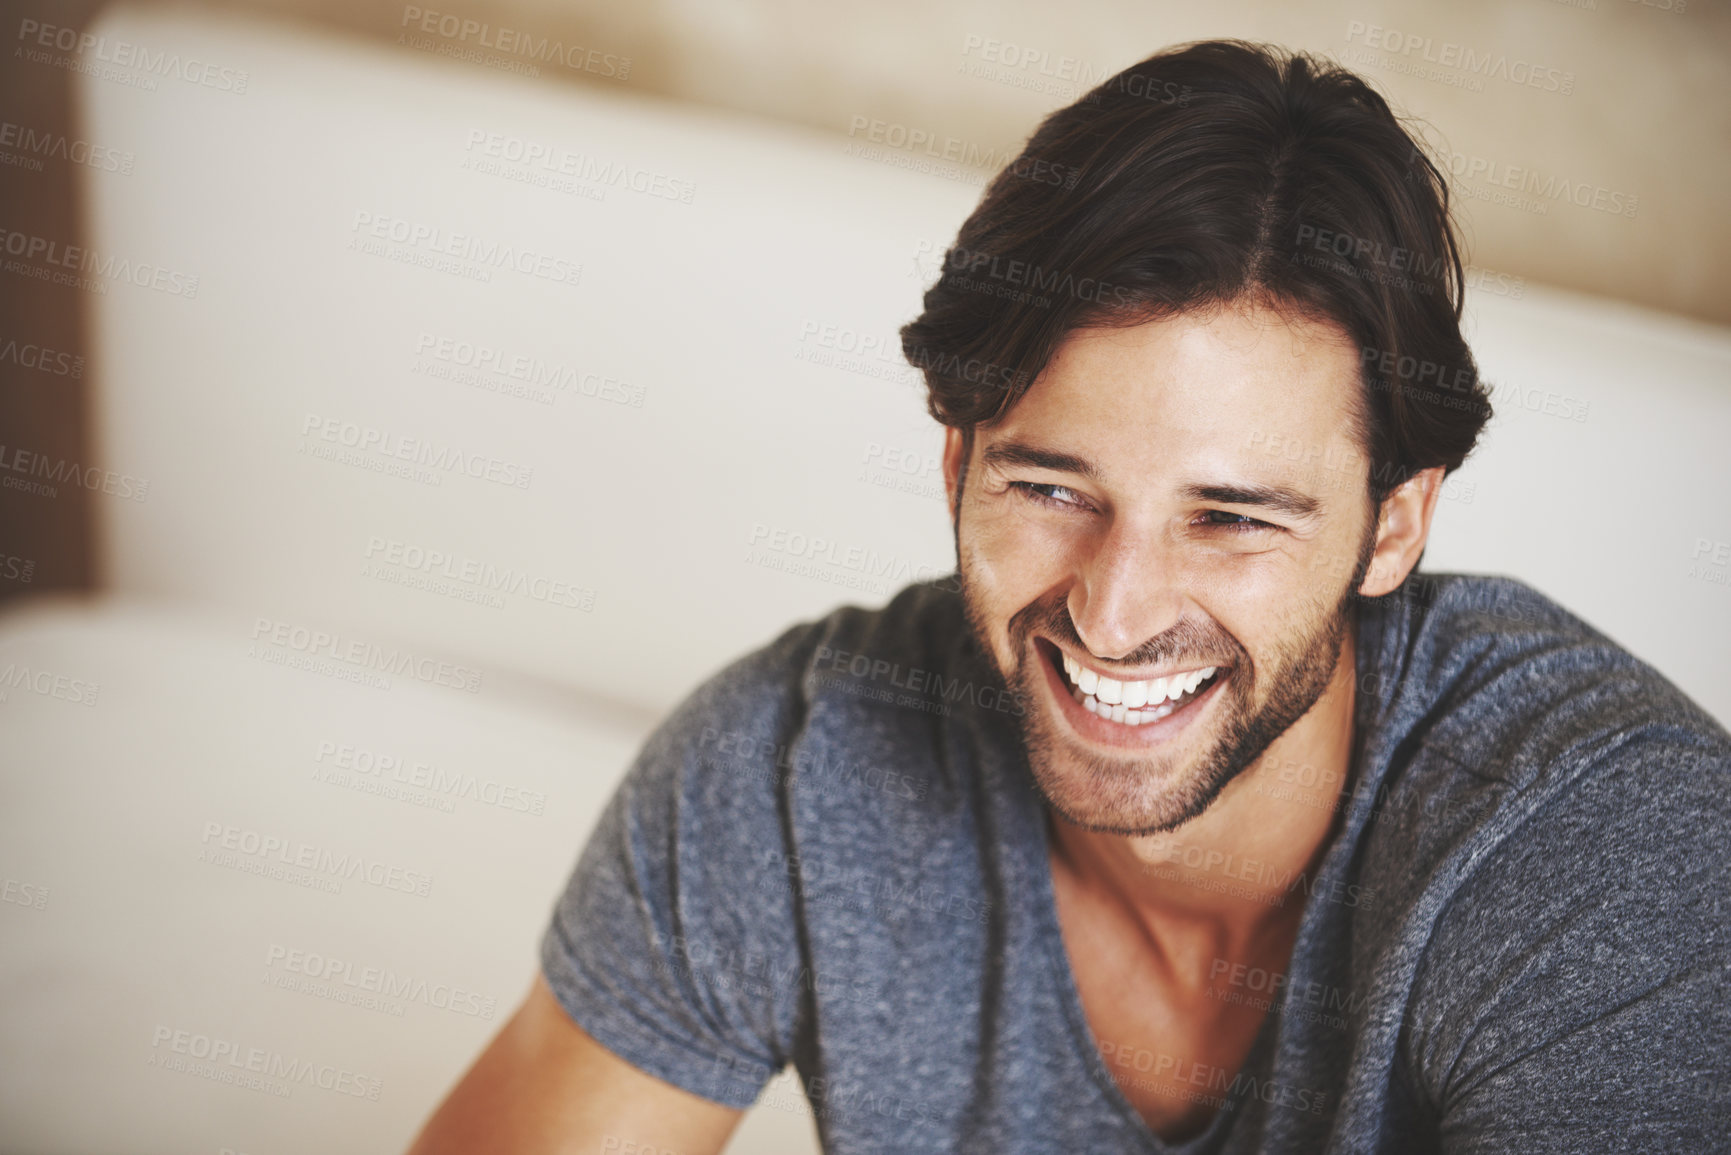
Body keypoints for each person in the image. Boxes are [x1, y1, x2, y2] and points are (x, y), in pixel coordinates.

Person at [405, 39, 1729, 1154]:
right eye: (1052, 490)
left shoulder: (1608, 854)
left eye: (1230, 519)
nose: (1113, 610)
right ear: (957, 467)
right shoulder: (789, 777)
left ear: (1396, 526)